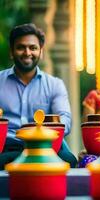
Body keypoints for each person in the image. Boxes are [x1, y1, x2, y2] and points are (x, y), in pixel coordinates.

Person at [0, 23, 77, 169]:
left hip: (45, 147)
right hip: (8, 147)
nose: (27, 52)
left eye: (33, 48)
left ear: (41, 52)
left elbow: (65, 120)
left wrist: (43, 132)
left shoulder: (55, 84)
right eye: (21, 47)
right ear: (11, 52)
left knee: (69, 161)